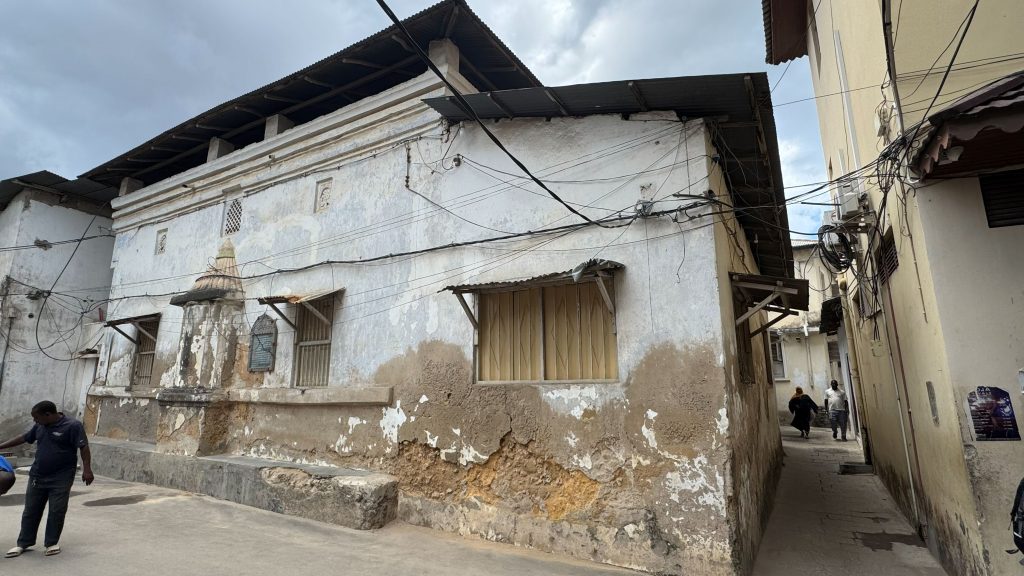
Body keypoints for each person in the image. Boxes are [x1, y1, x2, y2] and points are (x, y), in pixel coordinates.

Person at [0, 401, 93, 558]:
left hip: (61, 477)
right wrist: (1, 446)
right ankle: (23, 543)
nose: (35, 421)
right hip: (37, 475)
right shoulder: (40, 426)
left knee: (57, 510)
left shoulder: (72, 426)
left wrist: (87, 469)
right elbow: (24, 437)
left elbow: (83, 447)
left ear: (48, 414)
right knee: (30, 511)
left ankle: (51, 543)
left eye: (36, 417)